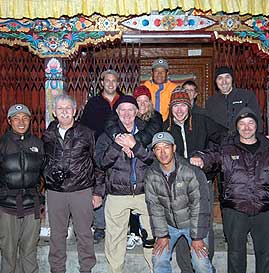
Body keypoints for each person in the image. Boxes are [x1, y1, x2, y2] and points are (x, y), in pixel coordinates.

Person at [190, 107, 269, 273]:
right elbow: (212, 157)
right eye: (242, 123)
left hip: (265, 211)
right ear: (237, 127)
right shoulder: (227, 148)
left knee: (265, 256)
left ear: (256, 125)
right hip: (235, 211)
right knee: (236, 256)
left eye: (250, 123)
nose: (246, 127)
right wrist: (200, 157)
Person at [164, 87, 227, 272]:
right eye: (176, 106)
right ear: (171, 108)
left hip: (202, 184)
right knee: (180, 225)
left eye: (183, 105)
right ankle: (186, 269)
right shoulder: (164, 127)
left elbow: (227, 138)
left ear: (189, 106)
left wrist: (204, 156)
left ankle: (205, 265)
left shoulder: (203, 122)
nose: (180, 110)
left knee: (203, 227)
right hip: (177, 188)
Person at [0, 103, 45, 273]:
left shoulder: (38, 144)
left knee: (29, 252)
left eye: (25, 118)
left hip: (32, 207)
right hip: (6, 207)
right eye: (16, 119)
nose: (21, 122)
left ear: (30, 120)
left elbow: (46, 173)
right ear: (10, 121)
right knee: (9, 255)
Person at [43, 94, 103, 273]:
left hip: (81, 191)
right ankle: (57, 269)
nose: (64, 112)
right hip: (55, 192)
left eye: (68, 108)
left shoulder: (87, 133)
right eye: (60, 108)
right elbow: (43, 161)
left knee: (84, 234)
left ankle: (86, 269)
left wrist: (97, 192)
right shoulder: (48, 134)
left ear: (75, 111)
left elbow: (98, 164)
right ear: (54, 112)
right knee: (57, 235)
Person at [95, 95, 155, 273]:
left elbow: (156, 159)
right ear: (117, 113)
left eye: (131, 109)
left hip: (145, 192)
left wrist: (135, 146)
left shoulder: (147, 132)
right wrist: (117, 146)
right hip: (117, 194)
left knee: (152, 235)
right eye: (123, 110)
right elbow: (100, 163)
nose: (127, 113)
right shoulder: (107, 135)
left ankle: (155, 269)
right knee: (114, 239)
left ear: (137, 112)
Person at [144, 132, 213, 273]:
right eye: (158, 148)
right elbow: (154, 207)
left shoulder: (191, 171)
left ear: (174, 148)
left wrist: (197, 237)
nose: (163, 152)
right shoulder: (151, 174)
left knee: (200, 262)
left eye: (166, 147)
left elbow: (200, 205)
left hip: (193, 223)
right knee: (159, 258)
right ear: (154, 152)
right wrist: (162, 235)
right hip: (169, 225)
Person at [80, 68, 122, 243]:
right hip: (98, 151)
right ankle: (99, 226)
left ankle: (119, 226)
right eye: (107, 80)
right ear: (102, 83)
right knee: (98, 187)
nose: (110, 84)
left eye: (114, 81)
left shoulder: (124, 101)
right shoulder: (94, 103)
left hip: (120, 151)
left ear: (118, 83)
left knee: (118, 188)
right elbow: (85, 127)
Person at [205, 66, 263, 133]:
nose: (224, 81)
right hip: (219, 142)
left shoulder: (247, 96)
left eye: (227, 77)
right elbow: (208, 126)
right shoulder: (210, 102)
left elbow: (257, 119)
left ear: (232, 79)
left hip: (242, 140)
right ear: (216, 81)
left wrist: (259, 137)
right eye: (220, 78)